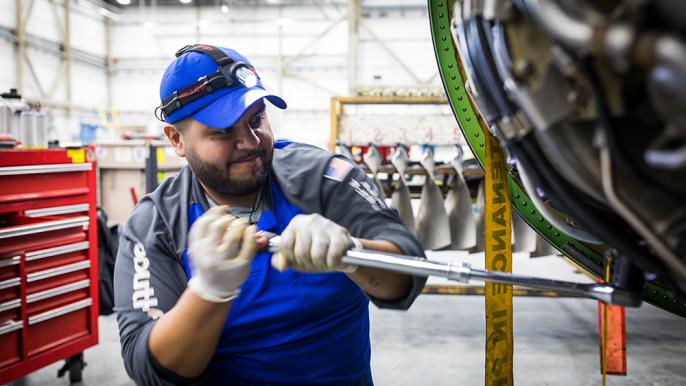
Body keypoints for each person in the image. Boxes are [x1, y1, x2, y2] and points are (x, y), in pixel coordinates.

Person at [113, 44, 426, 386]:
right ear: (177, 140)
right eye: (222, 131)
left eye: (256, 119)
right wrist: (209, 291)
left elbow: (408, 271)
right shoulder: (155, 224)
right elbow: (148, 366)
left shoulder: (324, 179)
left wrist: (354, 254)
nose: (249, 141)